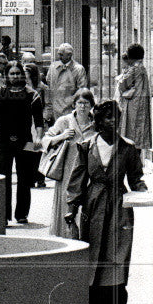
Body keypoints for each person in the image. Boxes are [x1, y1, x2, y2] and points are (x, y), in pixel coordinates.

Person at [65, 100, 148, 304]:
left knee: (116, 256)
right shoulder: (85, 146)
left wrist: (145, 195)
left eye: (116, 117)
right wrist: (71, 207)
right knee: (94, 255)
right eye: (107, 117)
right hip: (93, 206)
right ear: (98, 121)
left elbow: (136, 178)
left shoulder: (128, 147)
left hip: (119, 207)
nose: (113, 121)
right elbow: (77, 180)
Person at [0, 61, 44, 224]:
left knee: (25, 178)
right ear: (7, 76)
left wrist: (39, 137)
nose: (15, 76)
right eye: (12, 73)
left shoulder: (32, 95)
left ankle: (22, 214)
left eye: (18, 73)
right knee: (4, 178)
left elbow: (38, 121)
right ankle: (4, 215)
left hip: (26, 141)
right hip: (2, 141)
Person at [42, 88, 97, 237]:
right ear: (74, 104)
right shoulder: (64, 121)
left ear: (91, 105)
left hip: (88, 174)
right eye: (79, 103)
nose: (83, 107)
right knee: (66, 207)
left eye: (86, 103)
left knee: (85, 207)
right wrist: (61, 136)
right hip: (67, 172)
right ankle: (64, 237)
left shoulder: (96, 124)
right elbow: (45, 140)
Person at [115, 43, 152, 151]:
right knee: (138, 137)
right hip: (141, 105)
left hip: (133, 107)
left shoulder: (134, 69)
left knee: (130, 135)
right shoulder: (142, 68)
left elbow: (122, 85)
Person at [45, 43, 88, 122]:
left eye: (61, 54)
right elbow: (48, 85)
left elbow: (81, 90)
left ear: (69, 55)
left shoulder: (78, 69)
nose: (59, 57)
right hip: (54, 108)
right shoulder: (53, 67)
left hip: (69, 108)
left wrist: (71, 102)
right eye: (59, 54)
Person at [22, 58, 48, 187]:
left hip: (39, 121)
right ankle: (30, 177)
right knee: (28, 150)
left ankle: (40, 177)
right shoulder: (21, 89)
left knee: (39, 150)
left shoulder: (41, 88)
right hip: (27, 121)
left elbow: (47, 104)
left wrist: (46, 117)